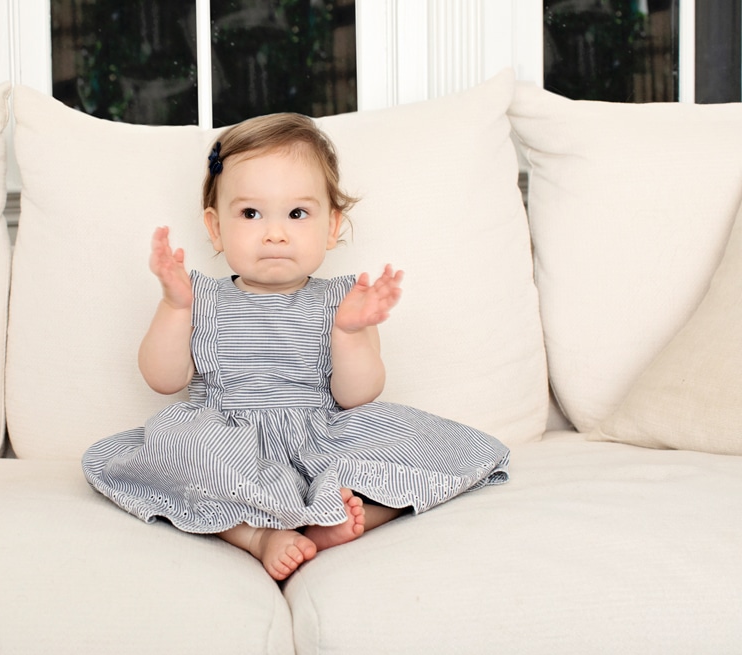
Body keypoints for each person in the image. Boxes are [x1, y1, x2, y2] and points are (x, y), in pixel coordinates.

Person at [83, 113, 509, 580]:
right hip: (227, 440)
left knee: (410, 440)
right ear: (215, 227)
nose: (275, 233)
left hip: (320, 435)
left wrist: (348, 334)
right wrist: (173, 305)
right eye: (250, 214)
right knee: (175, 444)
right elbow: (163, 381)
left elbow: (357, 396)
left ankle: (341, 516)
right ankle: (256, 534)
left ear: (331, 225)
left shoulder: (342, 301)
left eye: (297, 214)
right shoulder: (198, 296)